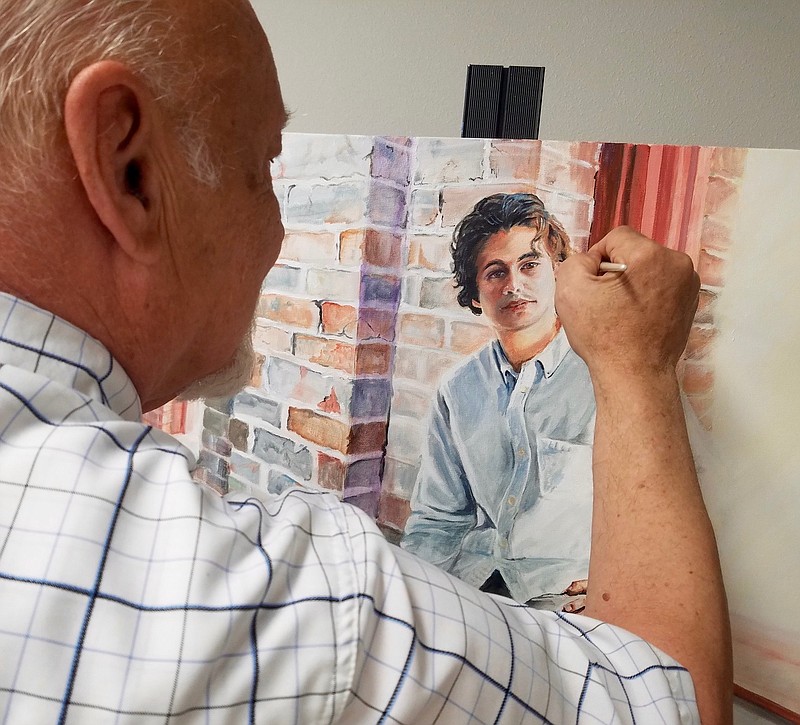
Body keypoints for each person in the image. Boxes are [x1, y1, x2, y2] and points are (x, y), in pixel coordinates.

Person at [0, 1, 731, 723]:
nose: (278, 231)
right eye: (259, 165)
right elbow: (667, 703)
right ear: (129, 170)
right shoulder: (284, 596)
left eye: (532, 264)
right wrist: (641, 370)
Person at [402, 193, 596, 611]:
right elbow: (437, 520)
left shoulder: (601, 376)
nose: (514, 285)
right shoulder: (457, 389)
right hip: (475, 589)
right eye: (495, 273)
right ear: (475, 295)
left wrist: (615, 585)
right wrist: (411, 600)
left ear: (556, 273)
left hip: (567, 601)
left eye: (530, 265)